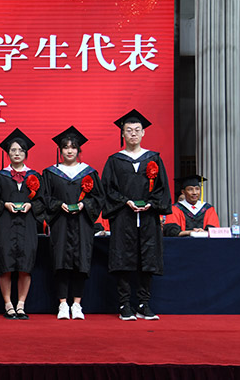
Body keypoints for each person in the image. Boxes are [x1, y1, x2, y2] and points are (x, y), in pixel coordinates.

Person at [101, 109, 172, 321]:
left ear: (143, 133)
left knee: (147, 259)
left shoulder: (153, 158)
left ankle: (143, 303)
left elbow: (162, 188)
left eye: (137, 130)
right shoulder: (114, 160)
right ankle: (124, 304)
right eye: (129, 130)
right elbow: (107, 189)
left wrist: (151, 203)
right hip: (124, 217)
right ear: (122, 133)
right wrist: (125, 201)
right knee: (123, 259)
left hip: (148, 218)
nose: (133, 133)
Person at [42, 126, 103, 320]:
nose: (69, 151)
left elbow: (98, 198)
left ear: (78, 150)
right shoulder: (51, 173)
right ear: (60, 150)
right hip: (60, 223)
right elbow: (45, 198)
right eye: (66, 147)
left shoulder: (88, 173)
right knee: (61, 263)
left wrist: (85, 205)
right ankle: (62, 304)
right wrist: (59, 205)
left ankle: (77, 304)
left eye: (73, 147)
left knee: (80, 263)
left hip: (82, 224)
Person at [0, 128, 44, 320]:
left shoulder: (35, 176)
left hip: (27, 225)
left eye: (21, 150)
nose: (17, 153)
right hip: (5, 225)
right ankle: (8, 304)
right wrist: (4, 204)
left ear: (26, 153)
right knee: (5, 264)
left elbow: (42, 201)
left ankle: (21, 305)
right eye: (13, 150)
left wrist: (31, 205)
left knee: (25, 265)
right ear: (8, 153)